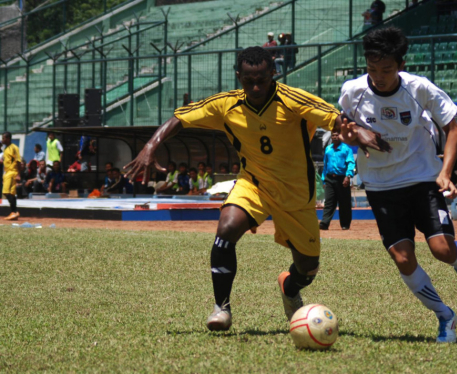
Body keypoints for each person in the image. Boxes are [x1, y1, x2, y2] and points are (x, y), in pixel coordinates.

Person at [123, 46, 385, 332]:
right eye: (249, 81)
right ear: (239, 77)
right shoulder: (225, 104)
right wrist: (150, 146)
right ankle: (221, 307)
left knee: (308, 268)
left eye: (262, 79)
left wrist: (359, 132)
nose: (256, 87)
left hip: (297, 194)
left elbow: (334, 118)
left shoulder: (293, 100)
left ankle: (289, 286)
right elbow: (180, 118)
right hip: (253, 184)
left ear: (274, 73)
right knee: (226, 228)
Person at [338, 27, 457, 344]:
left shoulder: (420, 89)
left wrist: (445, 174)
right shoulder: (353, 90)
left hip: (421, 178)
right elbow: (343, 127)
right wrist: (349, 136)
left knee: (441, 250)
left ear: (400, 65)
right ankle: (445, 317)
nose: (378, 76)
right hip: (379, 185)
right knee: (403, 259)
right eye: (372, 69)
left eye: (386, 70)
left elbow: (453, 129)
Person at [319, 130, 356, 231]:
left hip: (342, 179)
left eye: (336, 135)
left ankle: (345, 224)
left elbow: (351, 163)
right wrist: (324, 180)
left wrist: (348, 176)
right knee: (329, 202)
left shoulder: (346, 149)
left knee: (344, 203)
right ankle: (324, 223)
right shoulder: (328, 149)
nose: (334, 137)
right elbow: (325, 165)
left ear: (340, 136)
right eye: (333, 135)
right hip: (330, 178)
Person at [2, 132, 21, 220]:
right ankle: (14, 213)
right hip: (7, 172)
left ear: (8, 138)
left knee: (6, 192)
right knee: (12, 194)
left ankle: (14, 211)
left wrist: (18, 174)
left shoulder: (14, 148)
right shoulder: (5, 149)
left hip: (12, 172)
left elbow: (18, 161)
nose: (2, 140)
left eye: (4, 138)